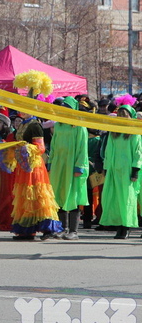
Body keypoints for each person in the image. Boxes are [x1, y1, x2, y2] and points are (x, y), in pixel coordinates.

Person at [11, 110, 62, 240]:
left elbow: (40, 147)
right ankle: (27, 230)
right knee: (26, 197)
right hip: (23, 166)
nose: (20, 111)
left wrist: (26, 148)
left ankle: (48, 228)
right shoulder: (23, 124)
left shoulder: (35, 125)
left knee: (39, 195)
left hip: (34, 166)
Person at [46, 96, 89, 240]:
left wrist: (79, 167)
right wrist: (51, 163)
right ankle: (62, 228)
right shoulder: (58, 125)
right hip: (59, 165)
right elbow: (53, 146)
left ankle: (74, 231)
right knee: (59, 194)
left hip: (73, 165)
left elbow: (83, 148)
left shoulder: (79, 126)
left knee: (72, 195)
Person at [99, 103, 141, 240]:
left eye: (124, 115)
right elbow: (108, 151)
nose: (121, 117)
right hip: (114, 170)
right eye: (119, 115)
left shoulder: (134, 132)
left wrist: (135, 171)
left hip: (128, 171)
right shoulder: (114, 132)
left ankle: (126, 227)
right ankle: (119, 227)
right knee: (115, 199)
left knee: (127, 199)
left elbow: (138, 152)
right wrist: (106, 168)